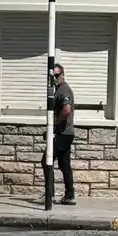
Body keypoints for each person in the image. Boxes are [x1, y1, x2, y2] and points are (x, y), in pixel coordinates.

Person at [51, 62, 76, 205]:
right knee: (64, 164)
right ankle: (69, 195)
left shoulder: (64, 90)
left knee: (46, 162)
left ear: (62, 75)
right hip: (66, 133)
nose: (55, 79)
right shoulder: (59, 89)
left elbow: (66, 110)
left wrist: (55, 123)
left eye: (57, 75)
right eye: (52, 76)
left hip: (62, 133)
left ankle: (50, 194)